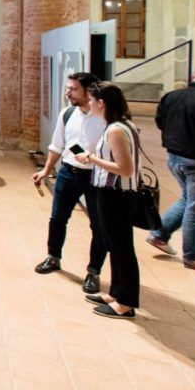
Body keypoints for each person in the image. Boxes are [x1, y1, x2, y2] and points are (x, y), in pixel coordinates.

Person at [31, 72, 107, 294]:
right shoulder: (68, 113)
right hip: (68, 172)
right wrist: (46, 170)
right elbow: (57, 145)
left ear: (88, 90)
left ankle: (94, 271)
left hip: (96, 177)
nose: (68, 92)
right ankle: (53, 257)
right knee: (57, 219)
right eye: (68, 88)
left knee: (98, 227)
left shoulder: (104, 116)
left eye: (73, 89)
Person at [146, 65, 195, 275]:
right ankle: (194, 257)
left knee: (188, 199)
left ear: (193, 77)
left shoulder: (172, 96)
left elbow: (160, 121)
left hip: (174, 157)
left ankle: (159, 234)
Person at [79, 82, 140, 319]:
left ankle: (126, 302)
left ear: (102, 103)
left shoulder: (116, 129)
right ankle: (116, 293)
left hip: (118, 194)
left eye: (92, 100)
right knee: (115, 245)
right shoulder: (120, 125)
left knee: (122, 248)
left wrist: (91, 158)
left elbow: (125, 168)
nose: (90, 103)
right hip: (113, 192)